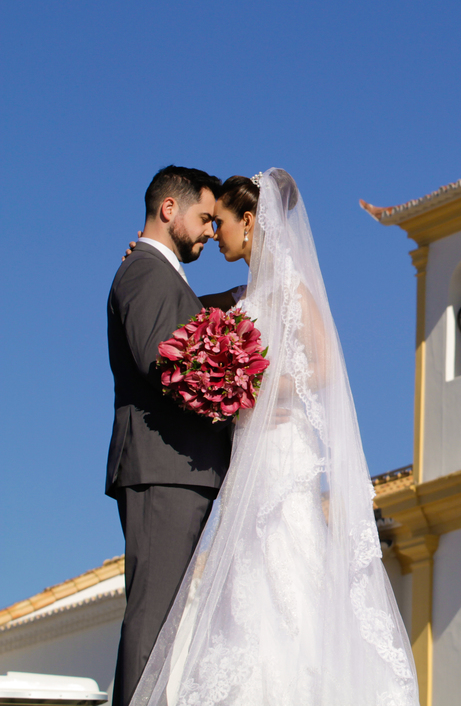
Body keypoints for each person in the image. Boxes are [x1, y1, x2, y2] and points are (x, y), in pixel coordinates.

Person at [128, 168, 417, 706]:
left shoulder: (292, 290)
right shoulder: (241, 296)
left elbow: (326, 369)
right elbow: (189, 320)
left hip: (284, 454)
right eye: (207, 222)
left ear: (251, 221)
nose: (215, 233)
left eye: (222, 222)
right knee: (247, 581)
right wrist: (146, 255)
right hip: (249, 459)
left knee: (287, 564)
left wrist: (262, 391)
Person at [106, 166, 234, 706]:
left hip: (179, 470)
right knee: (154, 617)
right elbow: (168, 359)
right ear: (168, 210)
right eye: (204, 218)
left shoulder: (162, 276)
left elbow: (188, 325)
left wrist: (240, 298)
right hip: (163, 470)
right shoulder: (144, 271)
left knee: (169, 621)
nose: (209, 230)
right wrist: (240, 394)